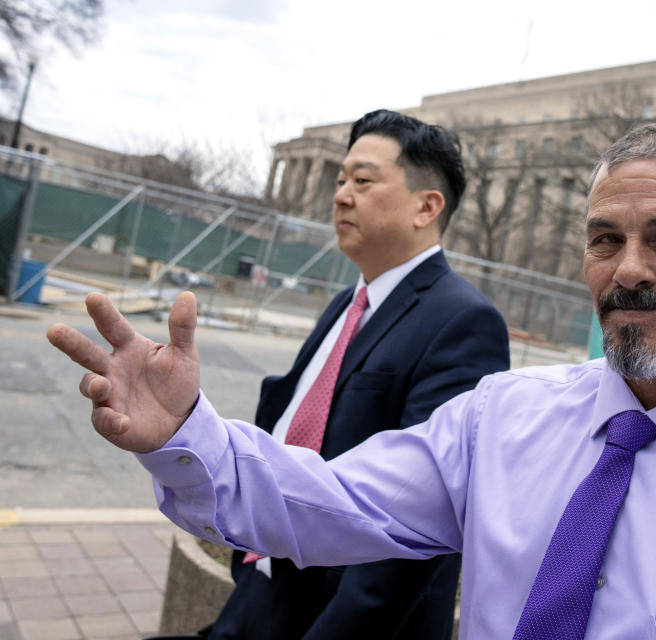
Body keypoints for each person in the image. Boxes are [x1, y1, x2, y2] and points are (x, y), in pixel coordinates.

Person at [47, 123, 656, 640]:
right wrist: (185, 436)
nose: (628, 269)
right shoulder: (498, 423)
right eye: (606, 240)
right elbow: (319, 502)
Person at [172, 110, 513, 638]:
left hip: (341, 617)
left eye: (362, 180)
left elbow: (418, 514)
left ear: (427, 206)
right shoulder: (345, 304)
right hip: (266, 587)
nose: (341, 195)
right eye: (339, 180)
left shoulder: (464, 322)